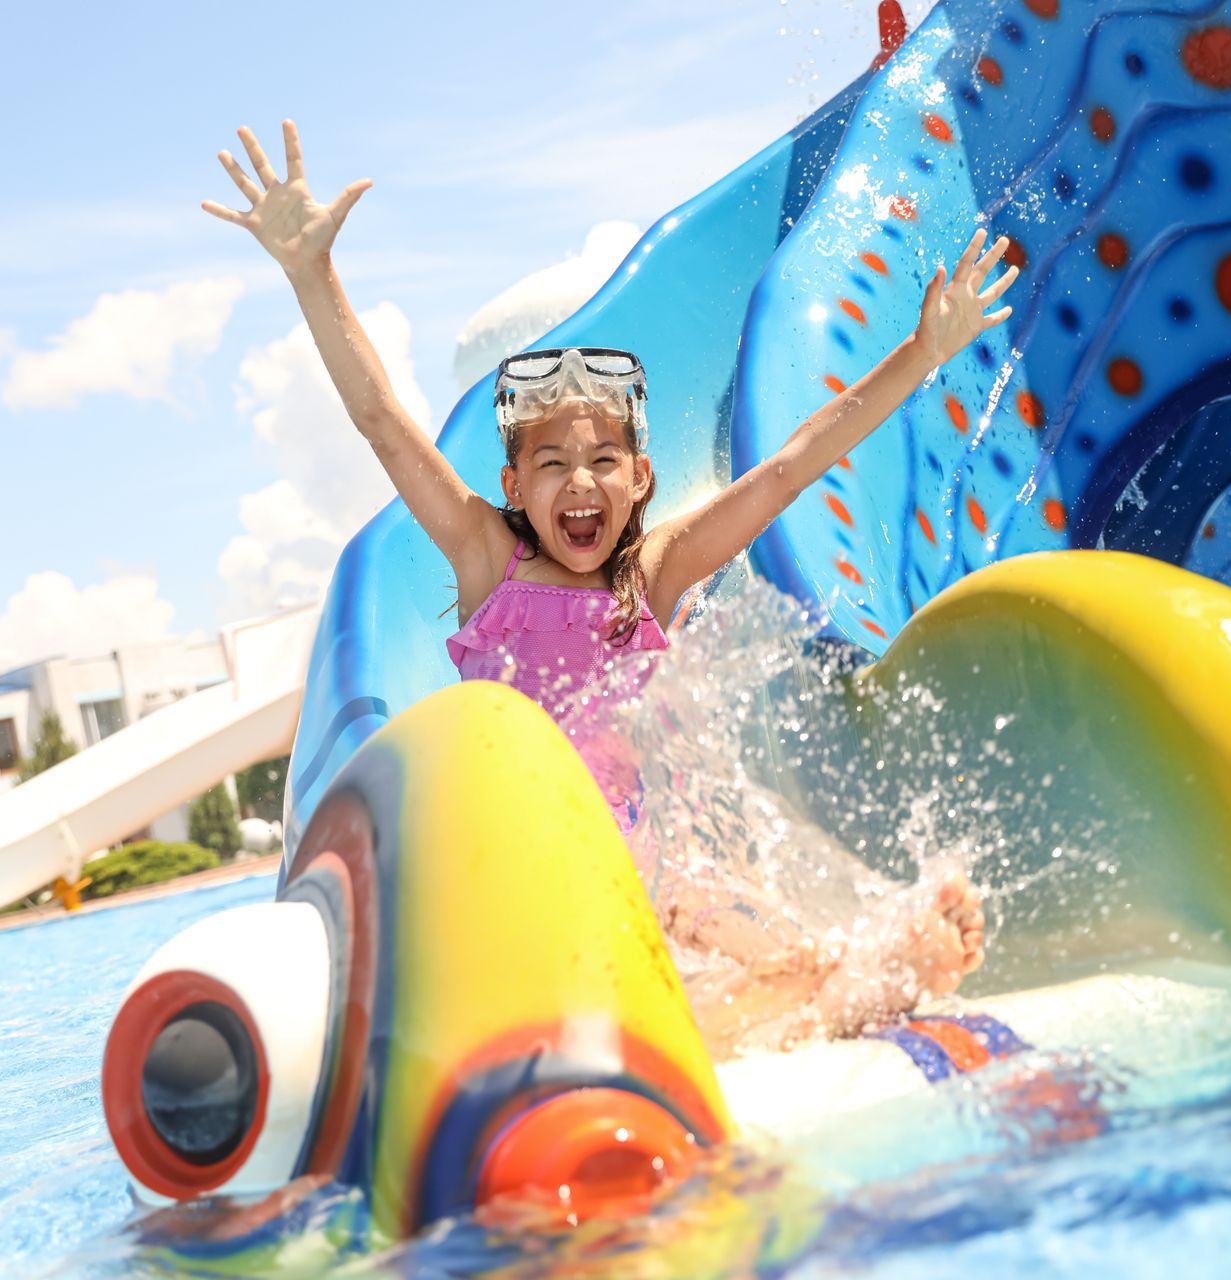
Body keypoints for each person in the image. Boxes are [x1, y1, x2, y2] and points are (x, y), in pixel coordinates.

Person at [205, 120, 1012, 1057]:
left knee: (751, 940)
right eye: (551, 463)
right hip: (529, 871)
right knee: (660, 1004)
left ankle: (850, 982)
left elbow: (791, 465)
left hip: (646, 868)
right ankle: (842, 1000)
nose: (579, 483)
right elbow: (384, 421)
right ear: (514, 487)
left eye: (602, 460)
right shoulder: (484, 560)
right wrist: (313, 274)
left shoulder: (658, 572)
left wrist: (922, 352)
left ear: (639, 481)